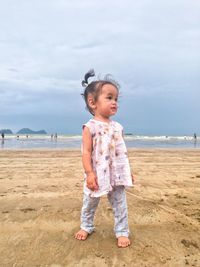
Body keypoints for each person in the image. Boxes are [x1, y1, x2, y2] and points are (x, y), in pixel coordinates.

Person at [75, 69, 134, 248]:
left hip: (116, 174)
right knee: (90, 202)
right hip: (97, 174)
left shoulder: (118, 127)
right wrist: (89, 173)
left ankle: (122, 231)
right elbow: (86, 152)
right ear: (92, 102)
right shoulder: (90, 127)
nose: (114, 102)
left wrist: (128, 172)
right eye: (109, 98)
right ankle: (86, 226)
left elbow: (121, 152)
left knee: (120, 204)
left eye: (116, 99)